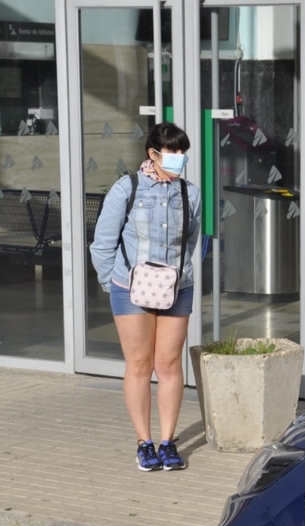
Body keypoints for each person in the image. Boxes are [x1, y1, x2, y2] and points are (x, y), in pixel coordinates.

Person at [90, 123, 201, 471]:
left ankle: (168, 443)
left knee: (168, 365)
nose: (179, 159)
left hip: (176, 287)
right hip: (130, 288)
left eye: (183, 153)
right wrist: (113, 283)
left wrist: (178, 273)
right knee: (139, 365)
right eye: (173, 152)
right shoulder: (128, 189)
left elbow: (192, 239)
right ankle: (144, 443)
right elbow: (103, 243)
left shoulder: (190, 193)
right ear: (152, 154)